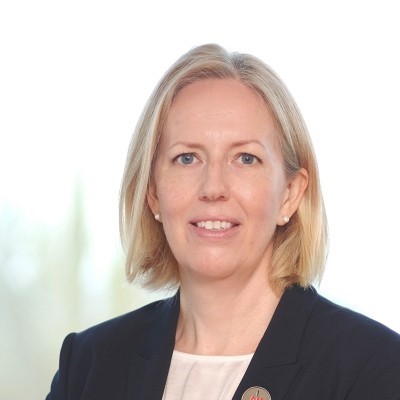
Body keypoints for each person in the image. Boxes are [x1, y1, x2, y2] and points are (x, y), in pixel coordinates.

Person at [46, 44, 400, 400]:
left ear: (290, 194)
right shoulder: (89, 365)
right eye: (187, 158)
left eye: (245, 158)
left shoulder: (375, 368)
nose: (213, 188)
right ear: (152, 192)